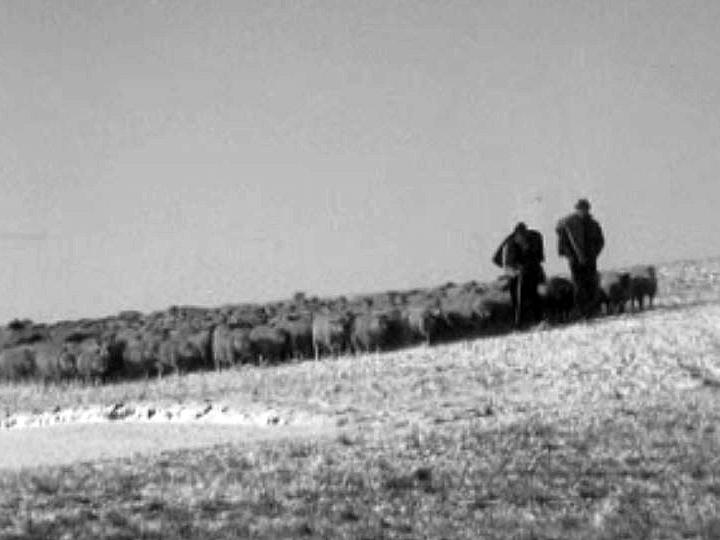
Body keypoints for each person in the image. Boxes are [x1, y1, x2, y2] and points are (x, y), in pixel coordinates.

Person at [555, 198, 605, 317]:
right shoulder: (568, 225)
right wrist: (572, 256)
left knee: (591, 284)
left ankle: (592, 309)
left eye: (585, 209)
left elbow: (600, 241)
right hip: (575, 261)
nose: (583, 211)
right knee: (578, 286)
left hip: (590, 259)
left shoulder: (593, 224)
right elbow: (563, 245)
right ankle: (580, 310)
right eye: (581, 209)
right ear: (577, 210)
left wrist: (594, 253)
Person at [492, 222, 546, 326]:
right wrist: (515, 270)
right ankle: (519, 323)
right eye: (520, 236)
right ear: (516, 235)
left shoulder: (535, 237)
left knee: (536, 296)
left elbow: (538, 256)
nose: (523, 238)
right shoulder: (510, 243)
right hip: (516, 273)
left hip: (532, 270)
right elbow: (507, 262)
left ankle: (538, 319)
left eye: (524, 235)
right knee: (518, 299)